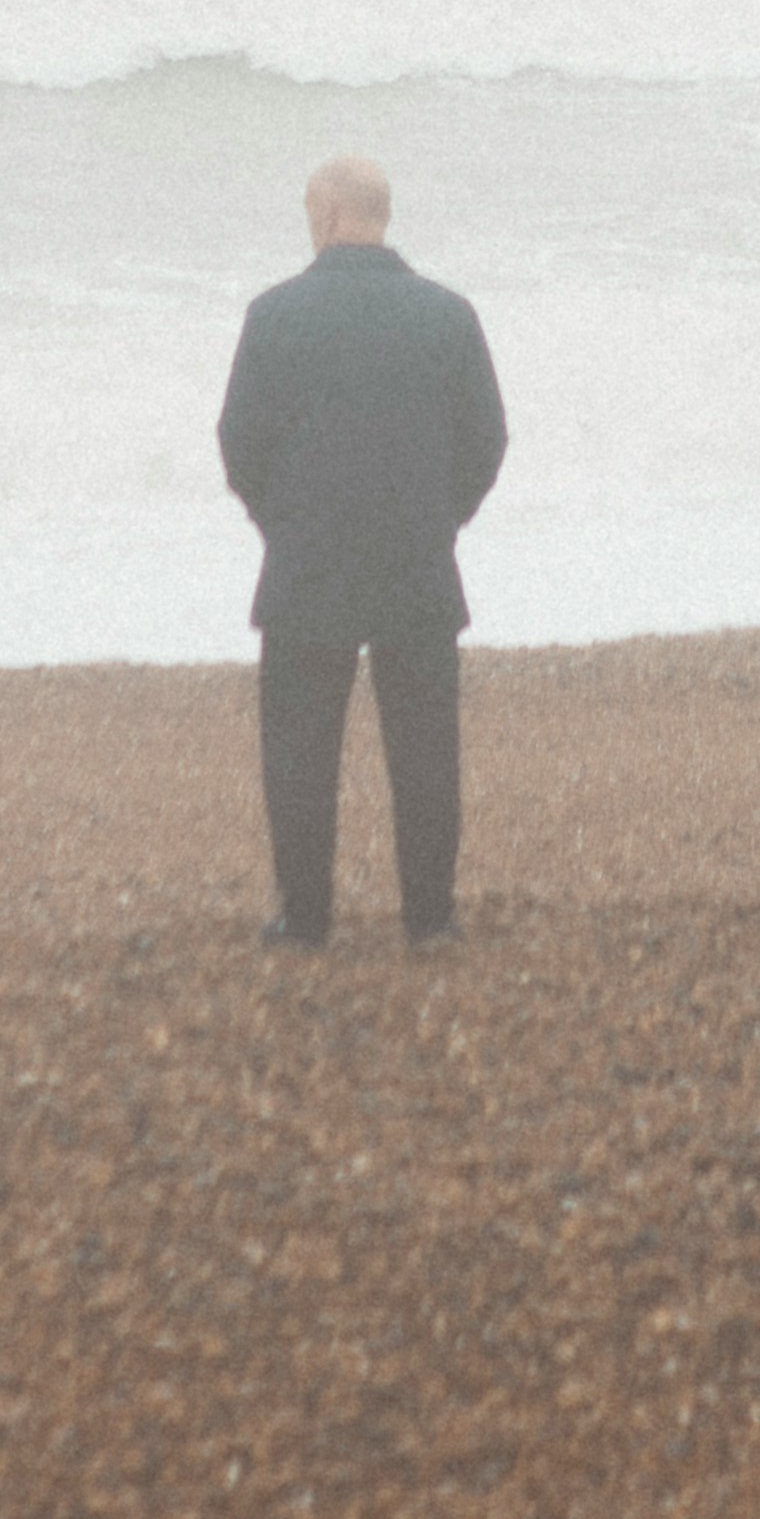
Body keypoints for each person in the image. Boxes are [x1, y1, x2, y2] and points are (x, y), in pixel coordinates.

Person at [214, 155, 507, 949]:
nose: (310, 224)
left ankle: (306, 922)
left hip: (309, 560)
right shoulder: (448, 316)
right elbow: (486, 440)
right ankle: (430, 919)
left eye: (313, 210)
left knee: (300, 749)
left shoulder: (275, 315)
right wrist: (441, 517)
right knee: (424, 747)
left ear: (338, 213)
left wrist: (282, 520)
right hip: (416, 555)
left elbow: (240, 442)